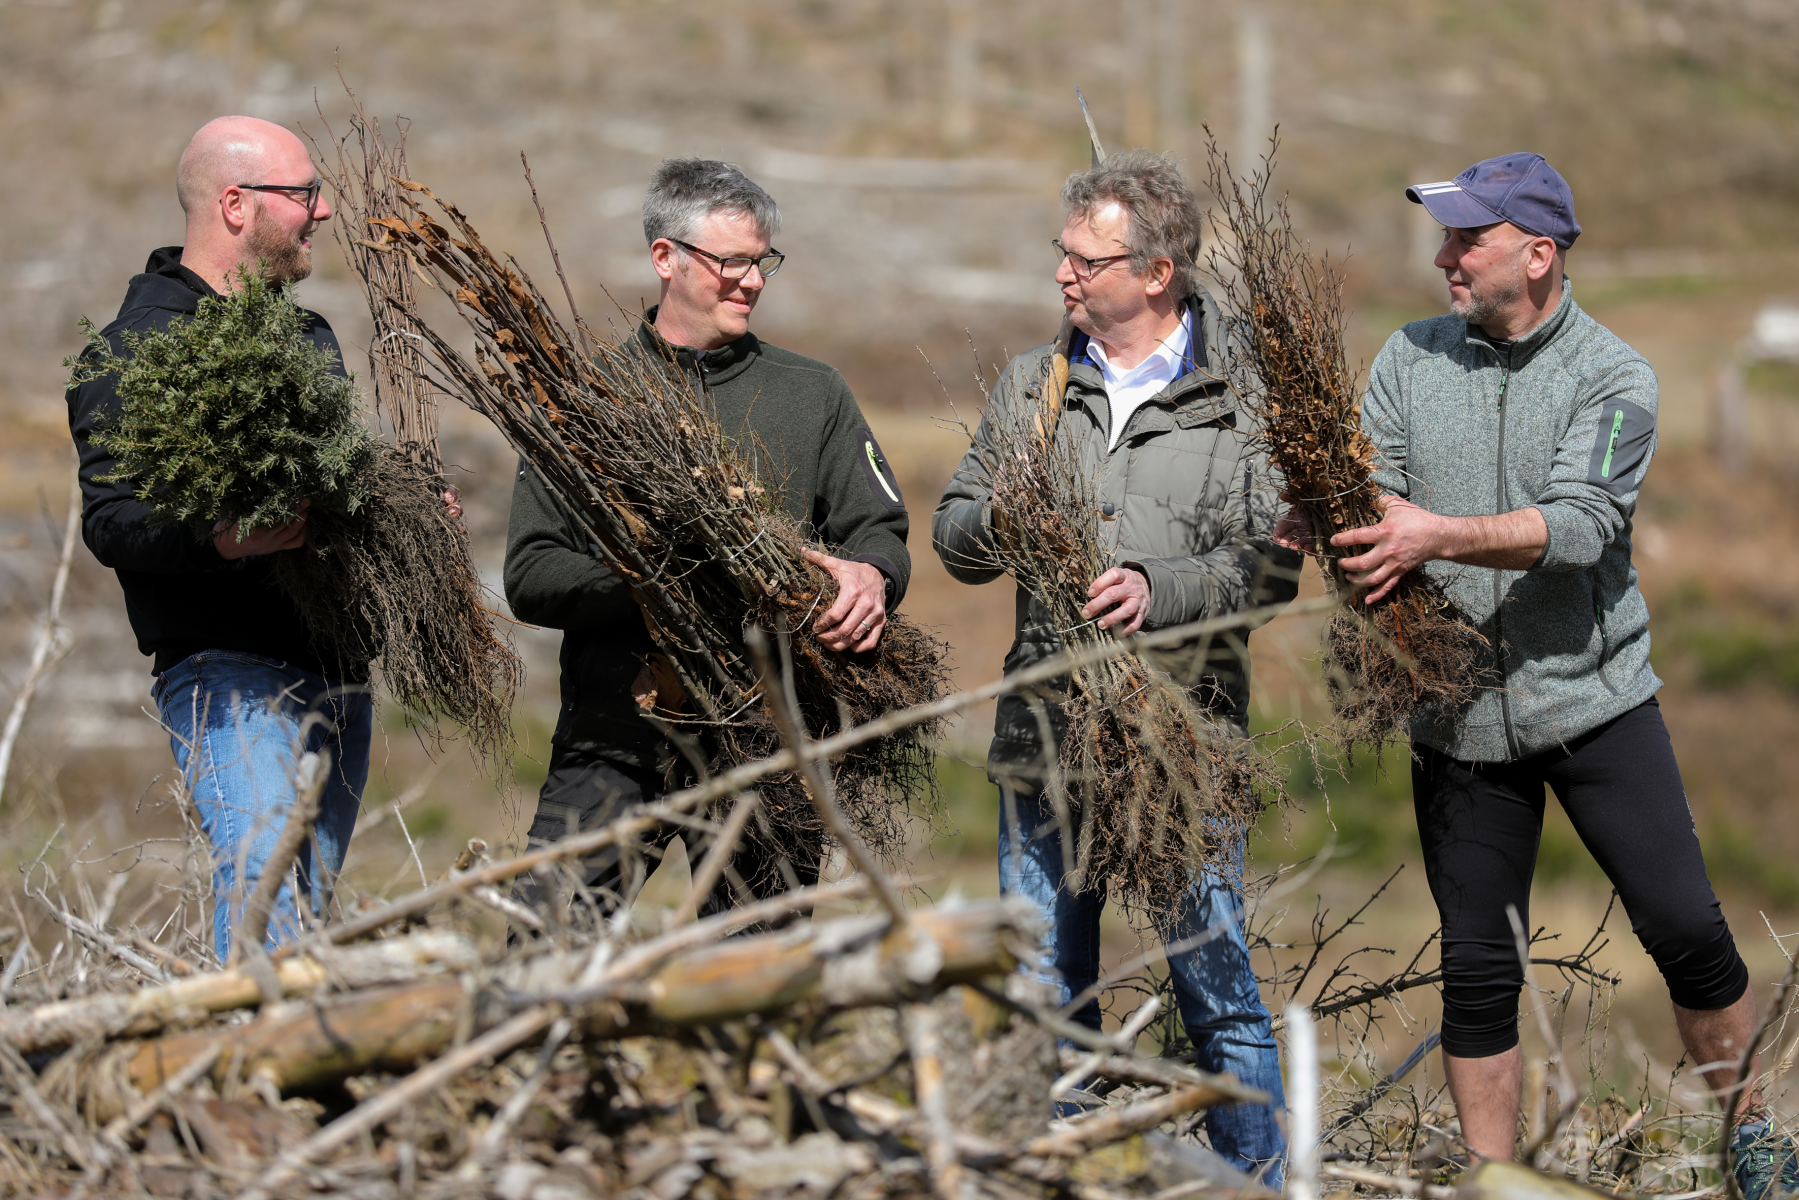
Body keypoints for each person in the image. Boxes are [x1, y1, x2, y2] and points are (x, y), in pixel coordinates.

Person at [1278, 152, 1792, 1192]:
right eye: (1445, 240)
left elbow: (1579, 524)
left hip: (1594, 704)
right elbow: (1370, 489)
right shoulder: (1408, 358)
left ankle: (1753, 1143)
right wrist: (1324, 511)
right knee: (1475, 972)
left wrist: (1433, 538)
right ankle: (1491, 1181)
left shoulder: (1613, 377)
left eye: (1466, 241)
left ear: (1538, 254)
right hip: (1453, 721)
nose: (1443, 259)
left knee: (1688, 931)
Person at [933, 149, 1299, 1183]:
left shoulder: (1245, 401)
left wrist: (1158, 587)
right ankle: (1059, 1173)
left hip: (1185, 743)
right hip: (1040, 739)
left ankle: (1254, 1180)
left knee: (1215, 986)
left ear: (1155, 272)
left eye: (1085, 261)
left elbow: (1267, 574)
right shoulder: (1030, 385)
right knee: (1044, 986)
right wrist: (999, 515)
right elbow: (954, 535)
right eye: (1060, 255)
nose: (1062, 276)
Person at [66, 117, 439, 959]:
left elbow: (331, 496)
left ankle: (282, 1071)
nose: (325, 210)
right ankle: (248, 1061)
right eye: (304, 193)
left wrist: (400, 511)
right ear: (236, 204)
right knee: (264, 877)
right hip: (225, 673)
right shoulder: (135, 350)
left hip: (338, 671)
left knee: (304, 910)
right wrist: (224, 539)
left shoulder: (307, 339)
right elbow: (113, 523)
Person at [504, 158, 910, 909]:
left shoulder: (811, 392)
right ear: (666, 258)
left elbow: (878, 530)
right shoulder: (585, 400)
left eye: (761, 263)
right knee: (544, 951)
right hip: (614, 739)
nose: (751, 282)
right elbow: (531, 574)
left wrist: (872, 576)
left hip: (766, 743)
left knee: (764, 978)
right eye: (731, 262)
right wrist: (660, 584)